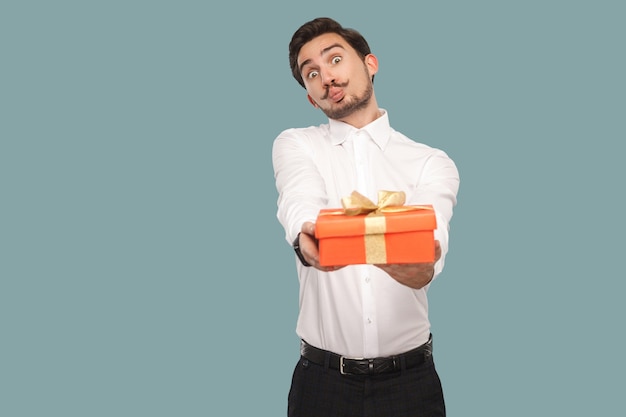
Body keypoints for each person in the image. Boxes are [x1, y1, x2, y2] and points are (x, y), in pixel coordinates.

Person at [272, 17, 460, 417]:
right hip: (321, 383)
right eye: (312, 74)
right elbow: (299, 198)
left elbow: (431, 240)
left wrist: (421, 262)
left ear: (370, 63)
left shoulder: (431, 162)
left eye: (335, 59)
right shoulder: (297, 144)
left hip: (411, 384)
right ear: (310, 97)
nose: (327, 77)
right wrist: (307, 239)